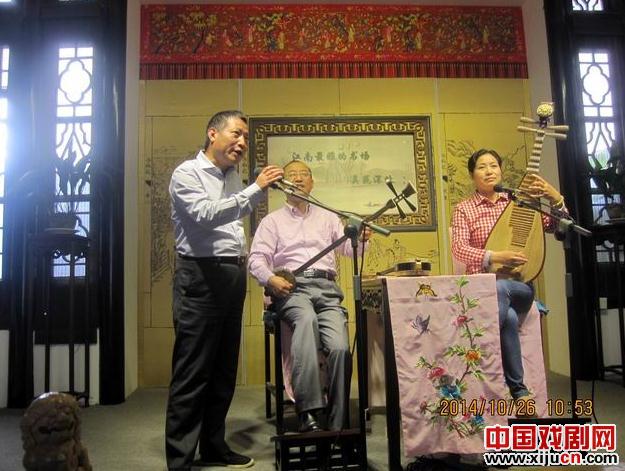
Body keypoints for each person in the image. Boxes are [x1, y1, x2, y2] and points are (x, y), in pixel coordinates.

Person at [165, 110, 284, 471]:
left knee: (223, 371)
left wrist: (250, 189)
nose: (242, 143)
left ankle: (213, 446)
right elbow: (206, 215)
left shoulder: (232, 176)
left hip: (232, 276)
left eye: (246, 137)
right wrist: (255, 188)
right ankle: (180, 459)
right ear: (212, 133)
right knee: (193, 371)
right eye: (236, 134)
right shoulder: (186, 173)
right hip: (200, 277)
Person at [248, 160, 370, 433]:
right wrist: (271, 279)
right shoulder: (272, 221)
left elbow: (350, 250)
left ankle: (338, 421)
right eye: (292, 174)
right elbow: (256, 259)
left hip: (327, 290)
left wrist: (362, 239)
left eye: (304, 174)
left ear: (312, 183)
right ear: (283, 185)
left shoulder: (328, 218)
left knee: (340, 347)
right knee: (306, 321)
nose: (299, 178)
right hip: (293, 289)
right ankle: (308, 411)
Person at [451, 148, 566, 412]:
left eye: (494, 165)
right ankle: (520, 393)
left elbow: (556, 226)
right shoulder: (464, 209)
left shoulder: (520, 202)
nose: (489, 171)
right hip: (482, 287)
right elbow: (459, 248)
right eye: (482, 167)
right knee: (509, 317)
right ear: (472, 174)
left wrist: (556, 199)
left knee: (501, 287)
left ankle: (478, 357)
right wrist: (494, 256)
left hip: (519, 286)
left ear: (501, 171)